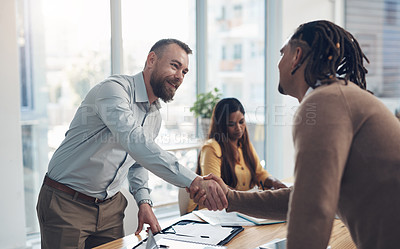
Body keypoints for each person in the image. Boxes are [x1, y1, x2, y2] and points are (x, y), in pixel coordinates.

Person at [194, 20, 400, 249]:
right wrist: (232, 199)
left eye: (282, 53)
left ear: (297, 56)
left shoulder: (324, 102)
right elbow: (301, 198)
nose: (278, 64)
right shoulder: (336, 97)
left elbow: (312, 210)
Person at [36, 38, 227, 249]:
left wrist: (144, 202)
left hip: (110, 208)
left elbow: (137, 162)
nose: (179, 76)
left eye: (184, 71)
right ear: (151, 60)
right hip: (67, 203)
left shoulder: (154, 117)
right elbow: (137, 143)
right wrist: (194, 181)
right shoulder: (113, 91)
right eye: (174, 65)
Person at [187, 98, 286, 212]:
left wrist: (275, 182)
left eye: (241, 122)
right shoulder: (211, 147)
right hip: (207, 213)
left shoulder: (244, 146)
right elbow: (215, 187)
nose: (238, 128)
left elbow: (260, 173)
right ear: (221, 125)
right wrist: (246, 200)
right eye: (231, 124)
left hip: (237, 209)